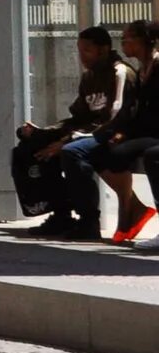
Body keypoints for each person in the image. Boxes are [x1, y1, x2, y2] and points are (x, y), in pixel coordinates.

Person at [13, 25, 130, 241]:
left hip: (111, 134)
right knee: (32, 147)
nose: (81, 56)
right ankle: (61, 214)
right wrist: (45, 132)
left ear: (103, 50)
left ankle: (89, 221)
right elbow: (79, 117)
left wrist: (66, 140)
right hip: (87, 132)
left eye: (87, 50)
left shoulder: (119, 73)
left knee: (71, 152)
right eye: (79, 50)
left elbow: (114, 118)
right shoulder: (89, 78)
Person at [92, 19, 159, 247]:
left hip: (155, 133)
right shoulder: (142, 69)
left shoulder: (156, 67)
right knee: (104, 151)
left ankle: (134, 211)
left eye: (127, 38)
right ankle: (133, 209)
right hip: (148, 131)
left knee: (153, 156)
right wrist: (122, 133)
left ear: (143, 41)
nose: (122, 43)